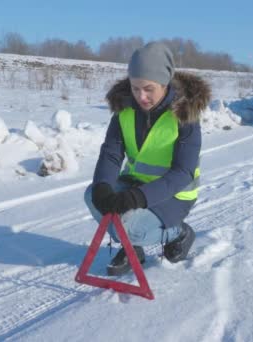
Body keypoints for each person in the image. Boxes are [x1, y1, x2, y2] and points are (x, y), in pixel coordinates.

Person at [84, 42, 211, 276]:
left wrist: (138, 198)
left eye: (148, 89)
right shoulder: (124, 109)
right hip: (136, 182)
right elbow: (111, 152)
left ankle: (179, 233)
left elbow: (183, 172)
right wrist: (103, 186)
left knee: (130, 227)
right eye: (135, 88)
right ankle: (134, 246)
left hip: (174, 194)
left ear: (165, 83)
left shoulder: (185, 116)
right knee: (92, 196)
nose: (141, 96)